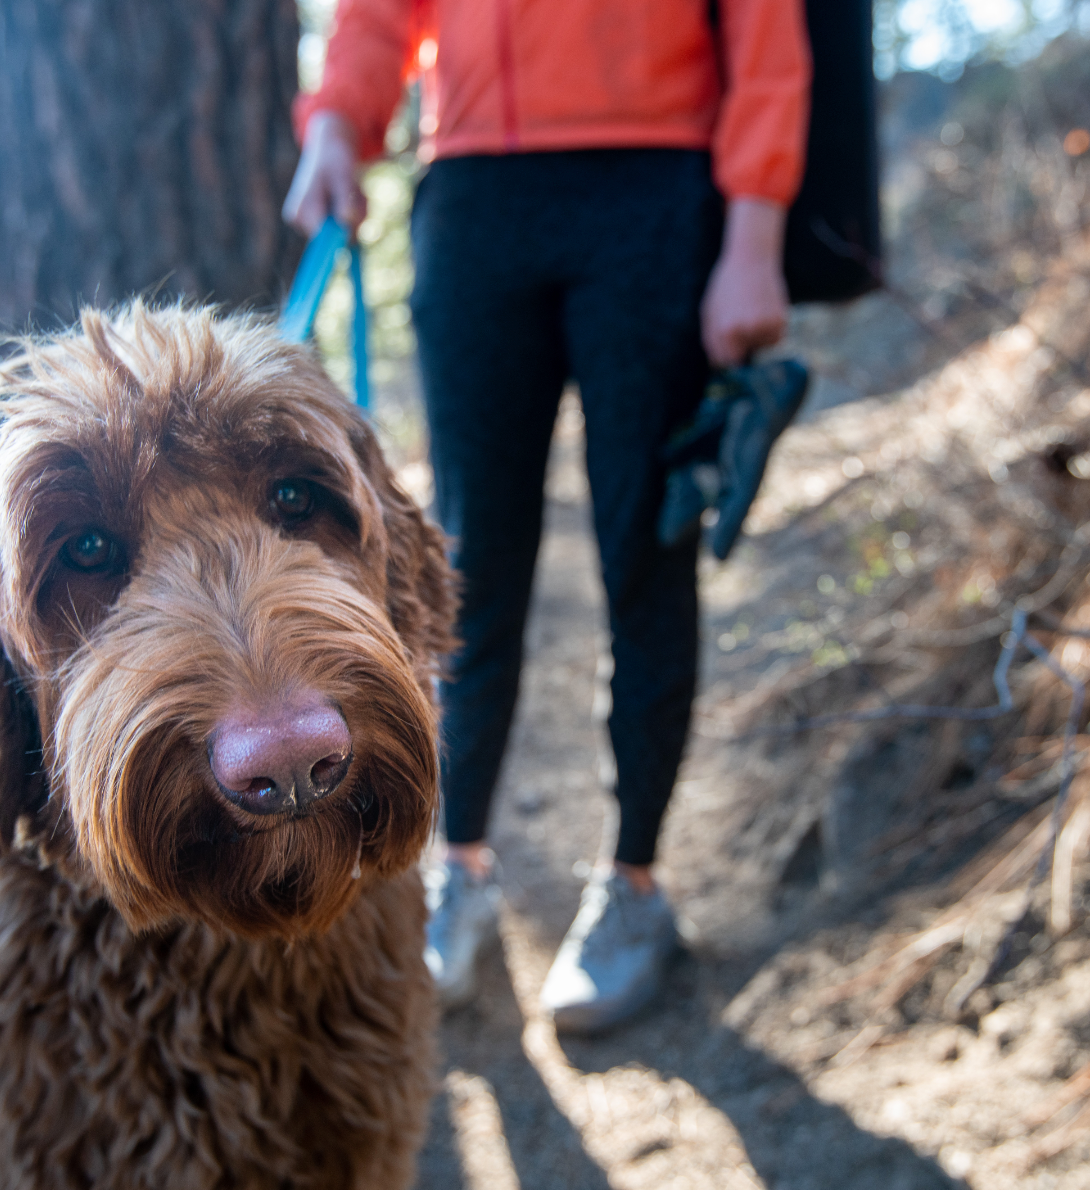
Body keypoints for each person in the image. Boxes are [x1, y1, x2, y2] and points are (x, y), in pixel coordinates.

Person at [284, 0, 809, 1032]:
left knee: (645, 552)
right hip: (475, 193)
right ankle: (455, 863)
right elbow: (381, 12)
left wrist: (755, 229)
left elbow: (766, 28)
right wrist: (340, 122)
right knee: (465, 563)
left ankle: (635, 884)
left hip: (655, 186)